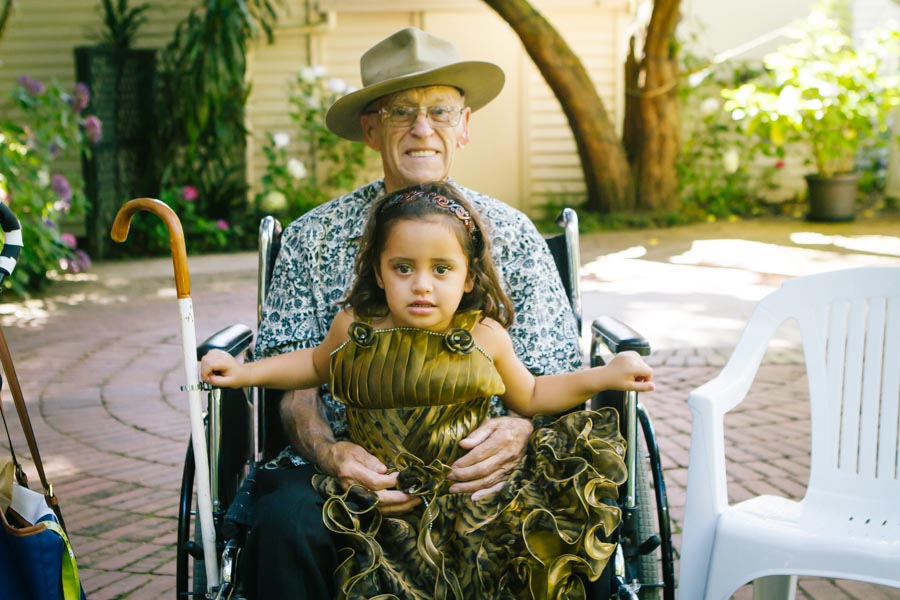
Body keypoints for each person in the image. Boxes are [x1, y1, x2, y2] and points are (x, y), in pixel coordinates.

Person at [247, 27, 586, 599]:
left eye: (441, 110)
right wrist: (330, 452)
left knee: (565, 524)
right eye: (402, 110)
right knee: (286, 524)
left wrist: (518, 431)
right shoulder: (311, 238)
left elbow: (550, 372)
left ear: (466, 125)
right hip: (347, 464)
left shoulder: (514, 236)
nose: (423, 128)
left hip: (477, 463)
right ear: (371, 127)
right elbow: (294, 376)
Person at [203, 182, 655, 599]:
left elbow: (533, 394)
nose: (422, 284)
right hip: (372, 487)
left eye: (442, 269)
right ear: (379, 273)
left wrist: (606, 373)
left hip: (464, 491)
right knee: (292, 520)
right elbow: (311, 364)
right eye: (403, 268)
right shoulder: (356, 327)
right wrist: (243, 373)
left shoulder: (485, 335)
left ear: (468, 278)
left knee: (549, 529)